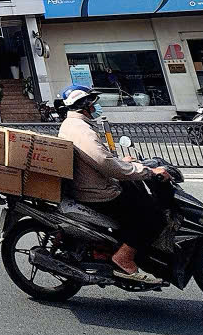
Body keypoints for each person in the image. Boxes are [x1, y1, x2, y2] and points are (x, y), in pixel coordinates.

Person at [57, 85, 171, 284]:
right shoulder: (81, 129)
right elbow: (104, 163)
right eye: (93, 104)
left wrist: (123, 162)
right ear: (85, 105)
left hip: (93, 184)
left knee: (137, 199)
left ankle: (114, 247)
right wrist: (147, 171)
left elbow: (97, 159)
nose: (96, 107)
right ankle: (123, 258)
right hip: (97, 192)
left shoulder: (74, 125)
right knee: (155, 217)